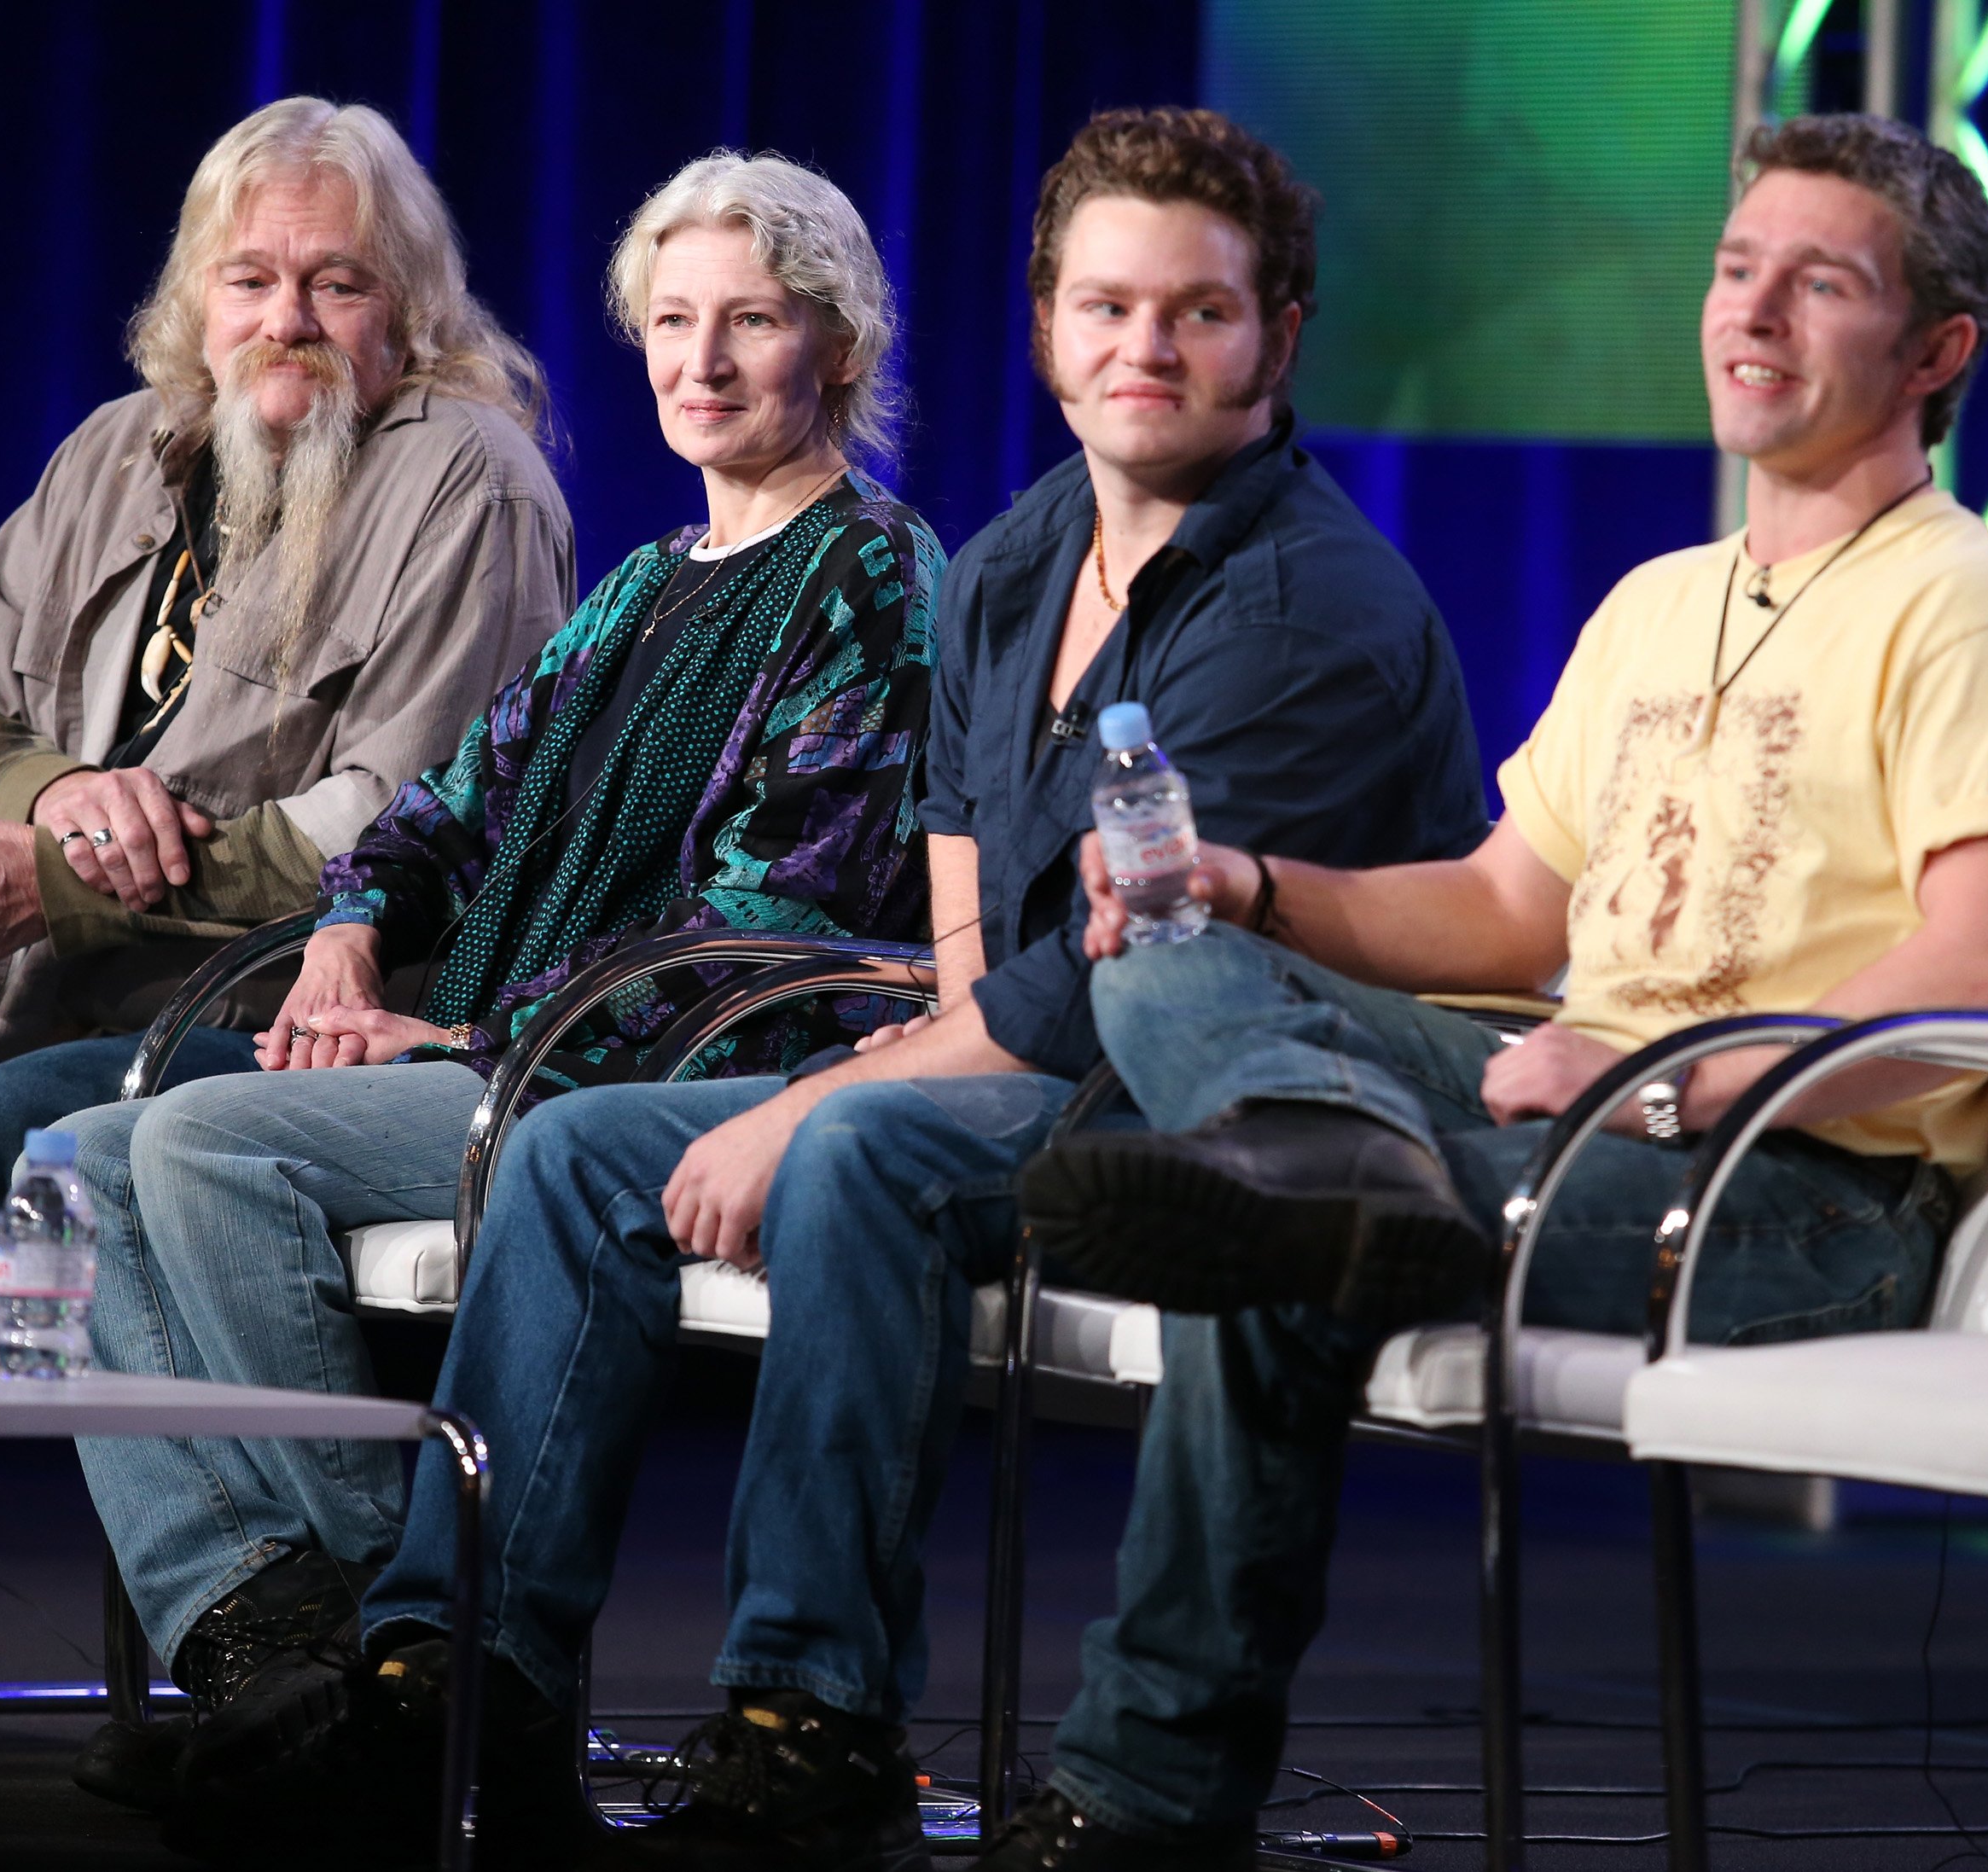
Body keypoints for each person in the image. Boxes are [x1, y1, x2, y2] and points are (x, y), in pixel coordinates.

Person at [299, 108, 1494, 1871]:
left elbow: (1126, 984)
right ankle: (460, 1678)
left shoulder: (1306, 600)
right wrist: (892, 1051)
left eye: (1198, 313)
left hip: (1234, 1117)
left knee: (859, 1153)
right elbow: (965, 921)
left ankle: (813, 1713)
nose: (1143, 349)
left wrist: (827, 1089)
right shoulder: (1014, 567)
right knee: (571, 1157)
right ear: (1044, 327)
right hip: (1024, 1061)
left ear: (1280, 334)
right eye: (1104, 308)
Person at [1006, 113, 1988, 1867]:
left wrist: (1662, 1077)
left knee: (1267, 1230)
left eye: (1817, 282)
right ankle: (1319, 1145)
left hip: (1795, 1193)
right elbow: (1507, 905)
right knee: (1163, 936)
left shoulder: (1974, 612)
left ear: (1939, 351)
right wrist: (1254, 880)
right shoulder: (1660, 602)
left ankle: (1142, 1790)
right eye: (1736, 267)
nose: (1751, 309)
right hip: (1558, 1098)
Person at [56, 150, 940, 1826]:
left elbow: (766, 931)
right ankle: (271, 1644)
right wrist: (346, 930)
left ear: (837, 342)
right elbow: (443, 809)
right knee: (97, 1151)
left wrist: (463, 1031)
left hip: (638, 1072)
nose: (701, 358)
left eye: (749, 320)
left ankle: (392, 1666)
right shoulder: (634, 588)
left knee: (211, 1146)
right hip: (510, 1045)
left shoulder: (872, 582)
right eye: (672, 321)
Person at [0, 96, 570, 1637]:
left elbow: (396, 832)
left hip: (236, 1036)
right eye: (251, 280)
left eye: (338, 282)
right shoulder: (117, 449)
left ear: (411, 309)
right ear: (195, 298)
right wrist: (54, 800)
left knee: (23, 1133)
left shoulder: (469, 481)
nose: (287, 318)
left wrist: (65, 883)